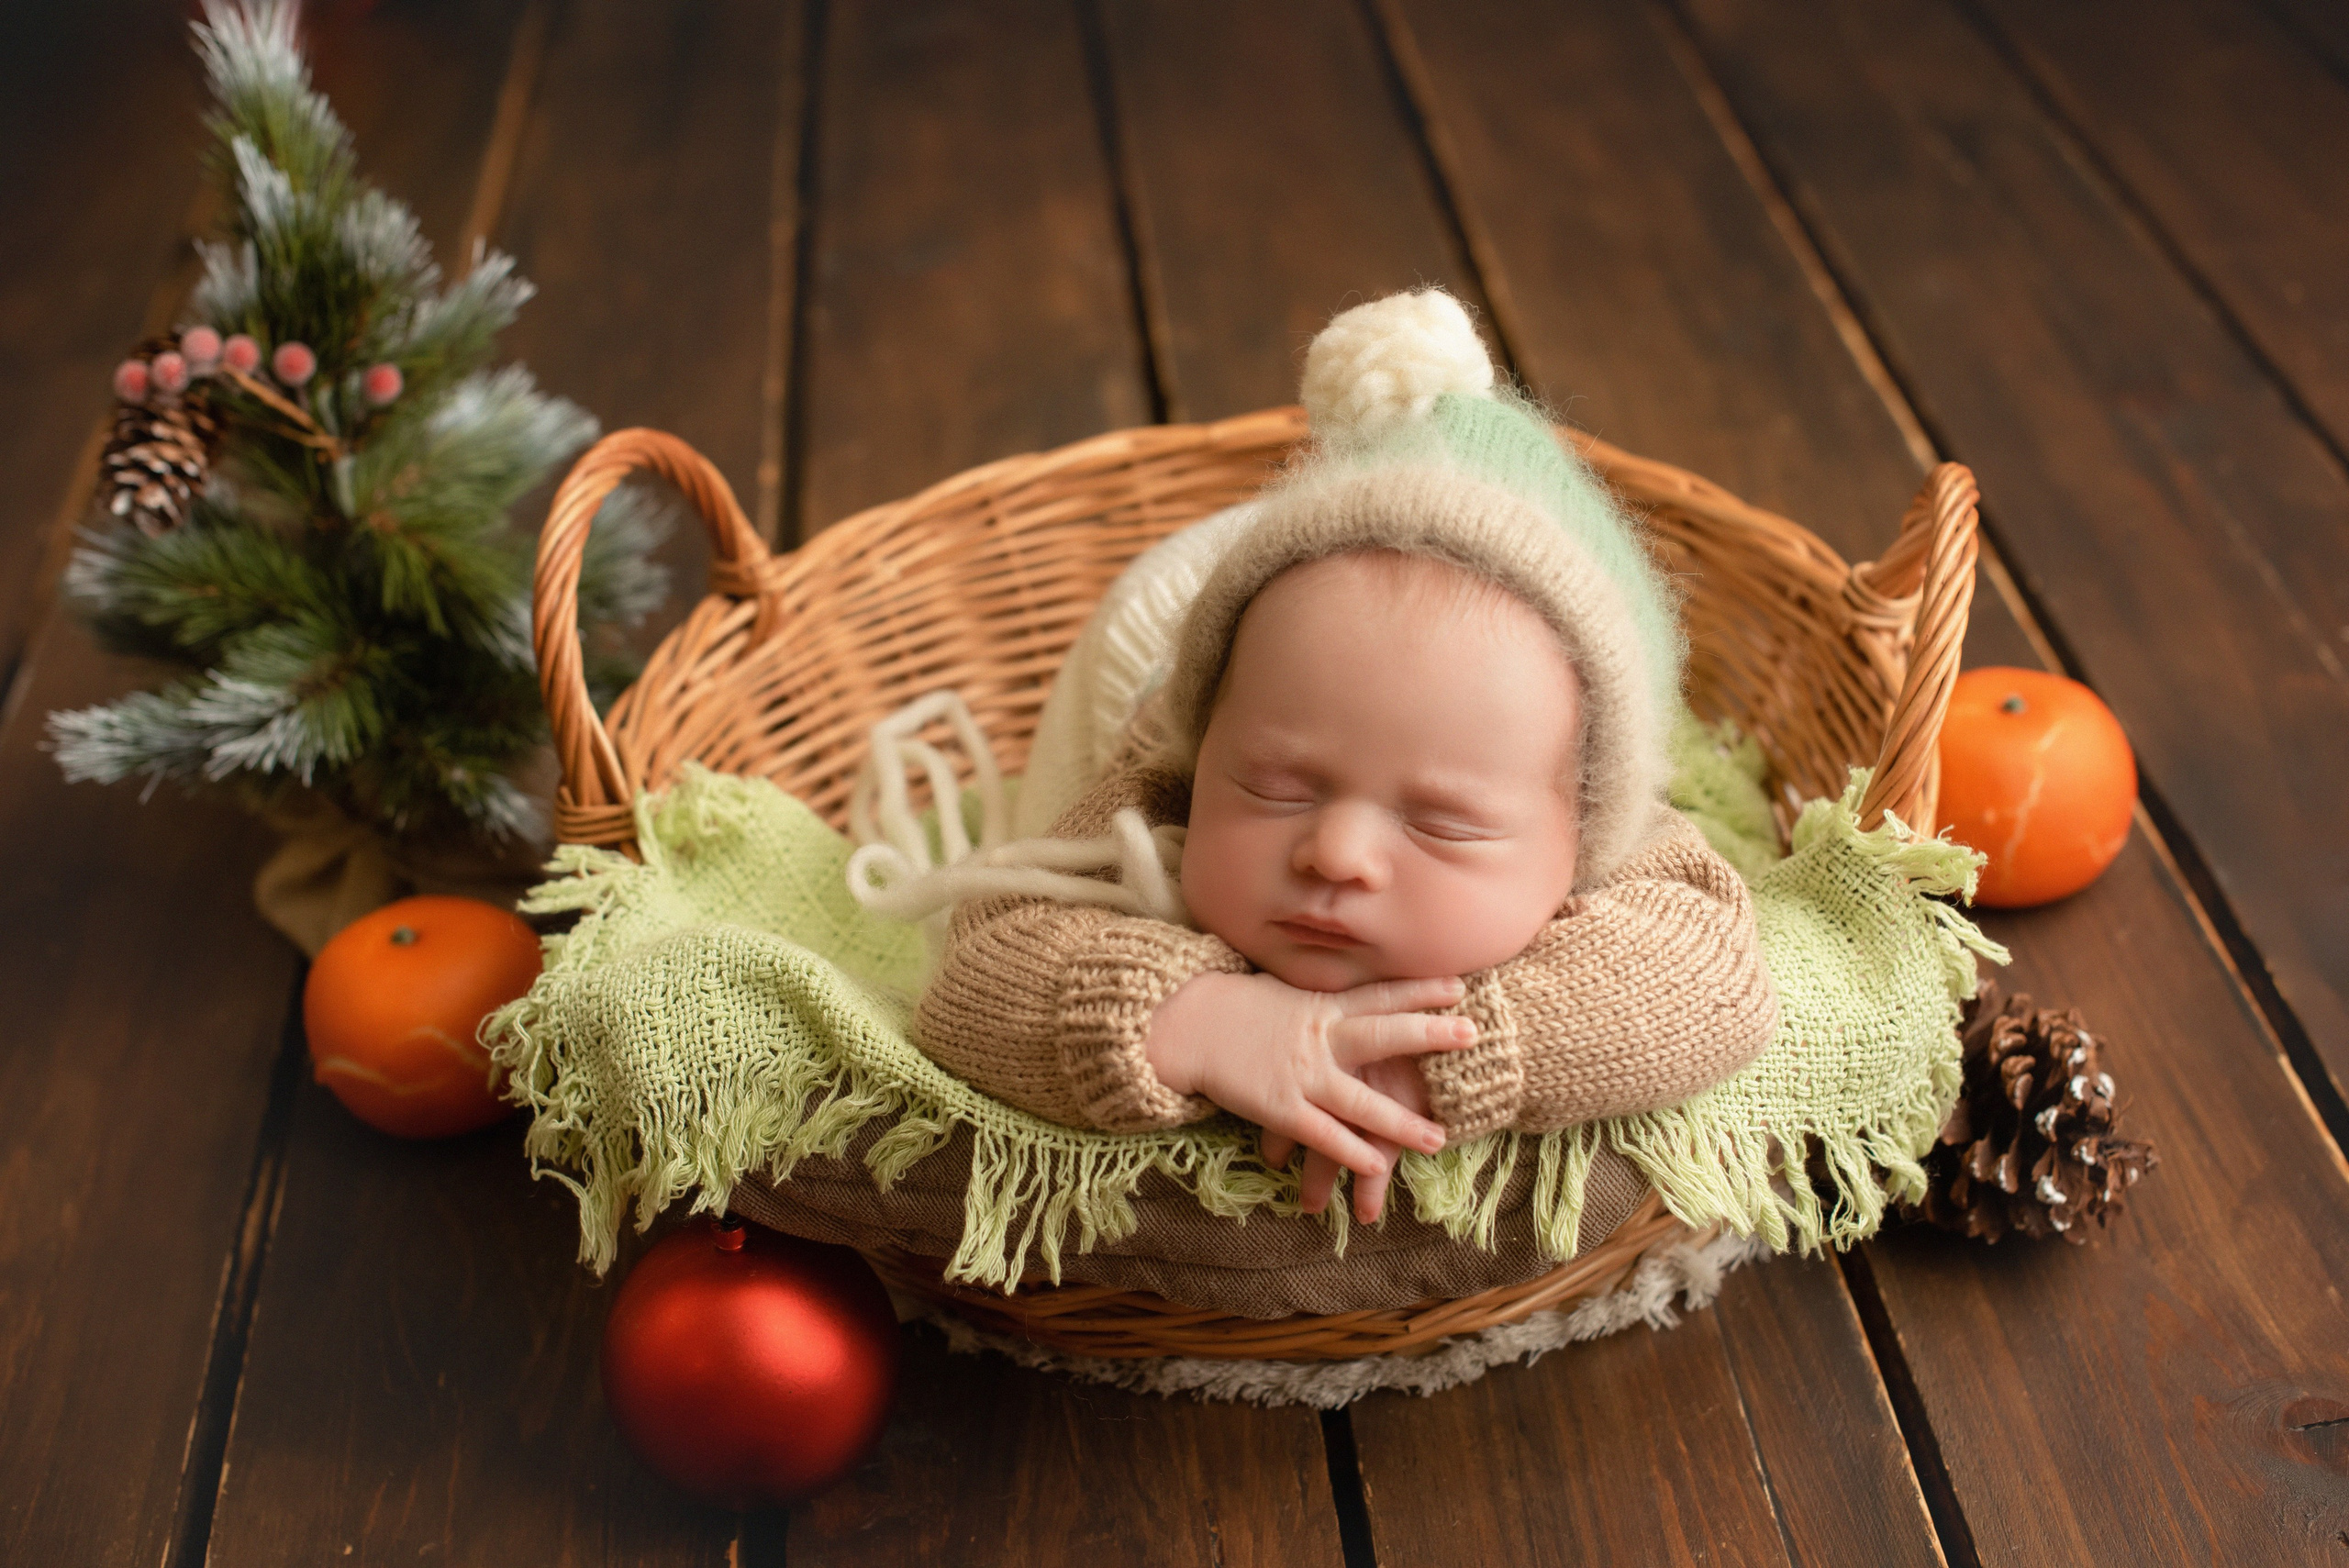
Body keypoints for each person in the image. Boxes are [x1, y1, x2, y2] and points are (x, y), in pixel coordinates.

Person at [909, 289, 1776, 1223]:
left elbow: (1720, 987)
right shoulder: (1156, 794)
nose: (1337, 854)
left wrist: (1448, 1053)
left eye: (1440, 820)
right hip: (1170, 620)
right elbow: (975, 973)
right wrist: (1190, 1021)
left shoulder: (1616, 850)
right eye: (1274, 787)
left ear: (1578, 835)